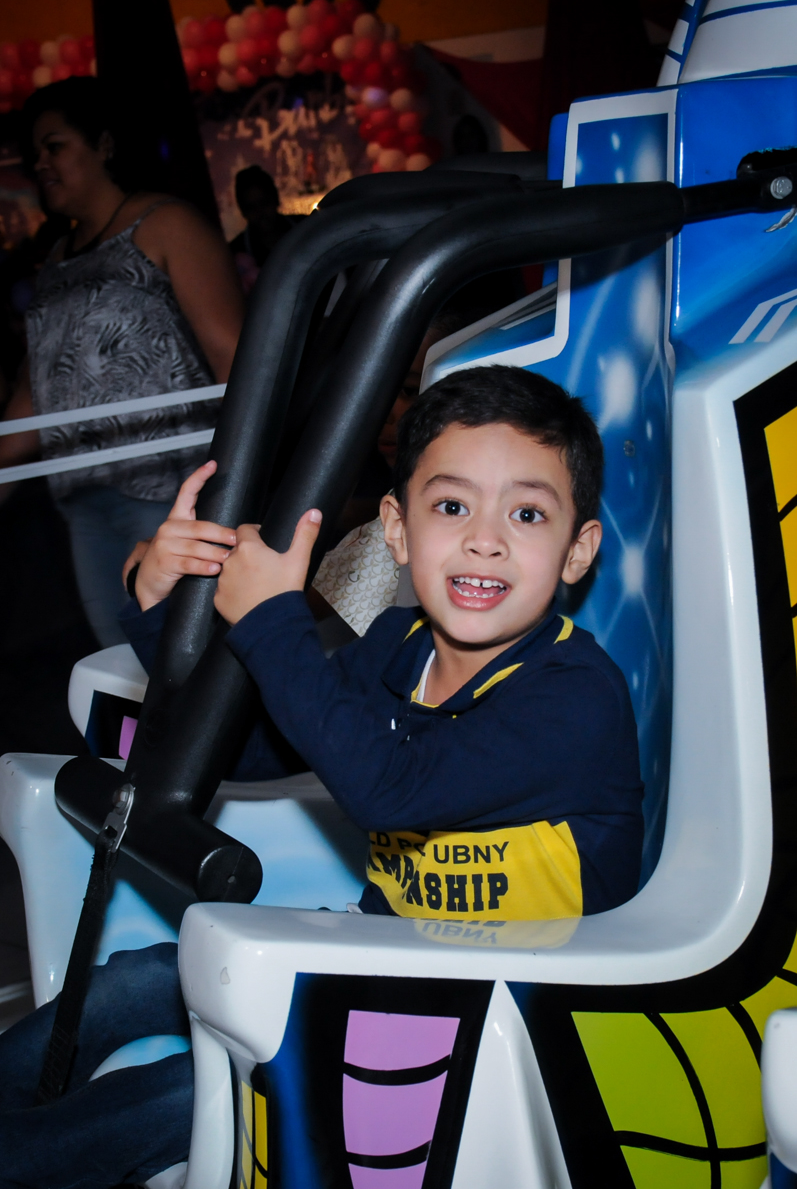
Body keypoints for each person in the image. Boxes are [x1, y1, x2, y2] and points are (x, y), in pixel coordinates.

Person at [0, 366, 643, 1184]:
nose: (486, 539)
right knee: (144, 978)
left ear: (577, 549)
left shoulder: (573, 695)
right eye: (451, 507)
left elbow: (388, 787)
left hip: (519, 1010)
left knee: (187, 1094)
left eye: (526, 514)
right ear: (398, 530)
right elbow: (253, 751)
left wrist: (275, 615)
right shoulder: (400, 649)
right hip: (394, 962)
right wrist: (159, 605)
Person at [0, 77, 245, 648]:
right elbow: (37, 392)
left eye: (53, 145)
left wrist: (242, 485)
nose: (40, 163)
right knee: (123, 663)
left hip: (171, 494)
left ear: (104, 145)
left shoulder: (164, 224)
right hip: (83, 502)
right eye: (34, 153)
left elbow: (235, 356)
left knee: (183, 660)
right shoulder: (55, 261)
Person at [229, 165, 295, 292]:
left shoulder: (307, 227)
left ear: (276, 198)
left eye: (264, 203)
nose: (260, 213)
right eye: (251, 207)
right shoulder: (235, 252)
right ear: (242, 211)